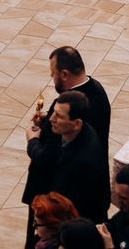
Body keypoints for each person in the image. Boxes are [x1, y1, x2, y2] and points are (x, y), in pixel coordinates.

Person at [25, 91, 107, 225]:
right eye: (54, 112)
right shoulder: (70, 130)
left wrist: (33, 140)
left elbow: (64, 207)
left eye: (59, 115)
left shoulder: (83, 160)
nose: (51, 119)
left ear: (77, 123)